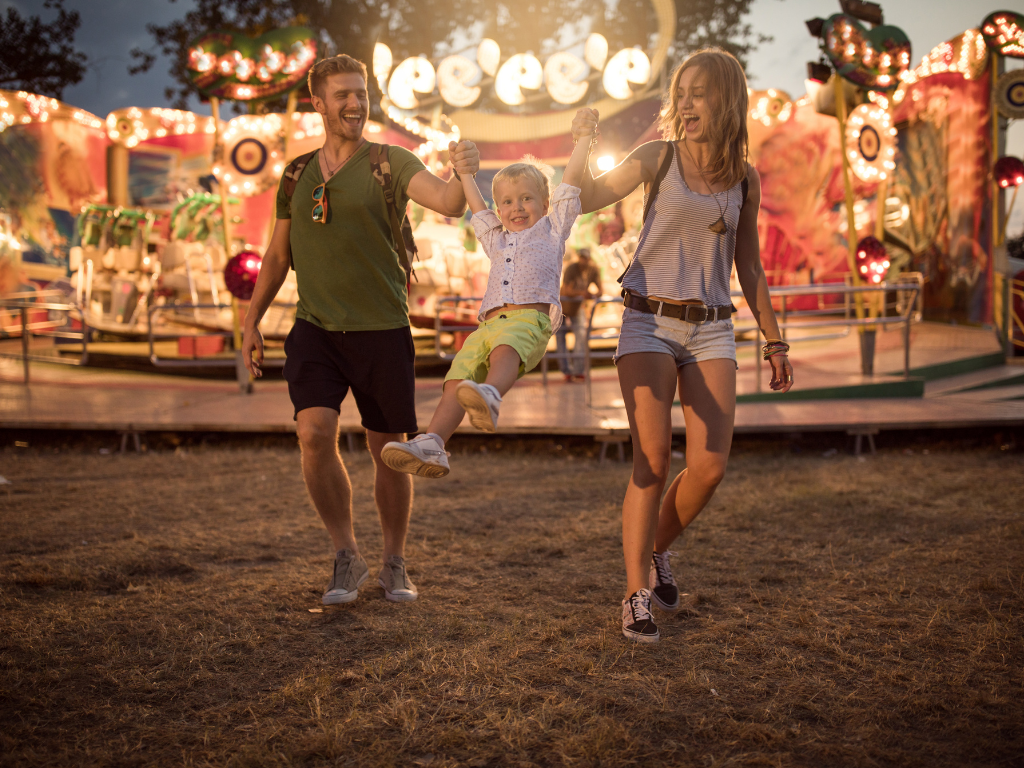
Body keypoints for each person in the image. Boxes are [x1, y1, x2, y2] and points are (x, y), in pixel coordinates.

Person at [240, 55, 480, 606]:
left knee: (388, 451)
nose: (354, 103)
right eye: (342, 94)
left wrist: (461, 170)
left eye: (361, 93)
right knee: (314, 434)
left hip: (382, 329)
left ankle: (394, 561)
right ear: (318, 102)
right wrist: (251, 321)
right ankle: (346, 554)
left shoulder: (389, 162)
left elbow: (445, 203)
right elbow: (277, 256)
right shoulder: (296, 174)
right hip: (315, 329)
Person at [573, 49, 795, 643]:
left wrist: (775, 341)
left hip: (713, 326)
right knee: (652, 459)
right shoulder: (657, 156)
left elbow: (749, 264)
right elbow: (586, 197)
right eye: (683, 92)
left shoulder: (743, 176)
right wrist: (583, 140)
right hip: (647, 320)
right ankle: (634, 594)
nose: (688, 102)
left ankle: (654, 552)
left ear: (727, 101)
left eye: (701, 92)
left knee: (711, 467)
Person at [379, 109, 599, 478]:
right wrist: (463, 173)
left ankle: (492, 396)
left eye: (527, 199)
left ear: (545, 205)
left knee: (505, 351)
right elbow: (476, 205)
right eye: (509, 202)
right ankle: (434, 442)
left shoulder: (552, 229)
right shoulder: (495, 239)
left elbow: (571, 184)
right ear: (500, 210)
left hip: (529, 318)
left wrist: (583, 141)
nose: (517, 207)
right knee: (458, 375)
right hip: (488, 323)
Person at [556, 247, 602, 381]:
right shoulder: (571, 268)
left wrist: (592, 295)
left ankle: (578, 370)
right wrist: (583, 294)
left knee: (581, 336)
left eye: (585, 258)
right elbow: (567, 290)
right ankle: (567, 371)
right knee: (561, 338)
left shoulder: (593, 270)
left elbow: (600, 290)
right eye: (581, 257)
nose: (583, 260)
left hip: (577, 306)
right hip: (562, 306)